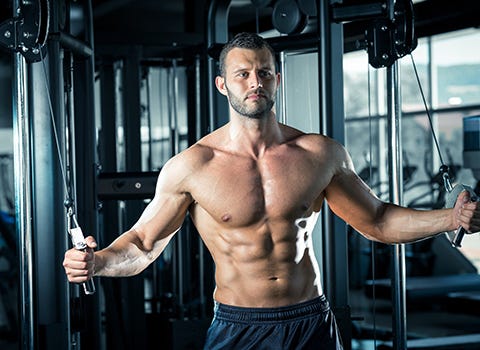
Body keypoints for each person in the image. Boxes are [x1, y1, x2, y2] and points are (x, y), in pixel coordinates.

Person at [63, 32, 480, 349]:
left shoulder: (320, 153)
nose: (254, 82)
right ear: (222, 85)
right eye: (242, 74)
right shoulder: (193, 166)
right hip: (238, 326)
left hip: (311, 320)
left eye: (264, 72)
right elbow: (143, 243)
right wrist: (97, 263)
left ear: (276, 79)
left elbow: (377, 220)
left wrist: (452, 218)